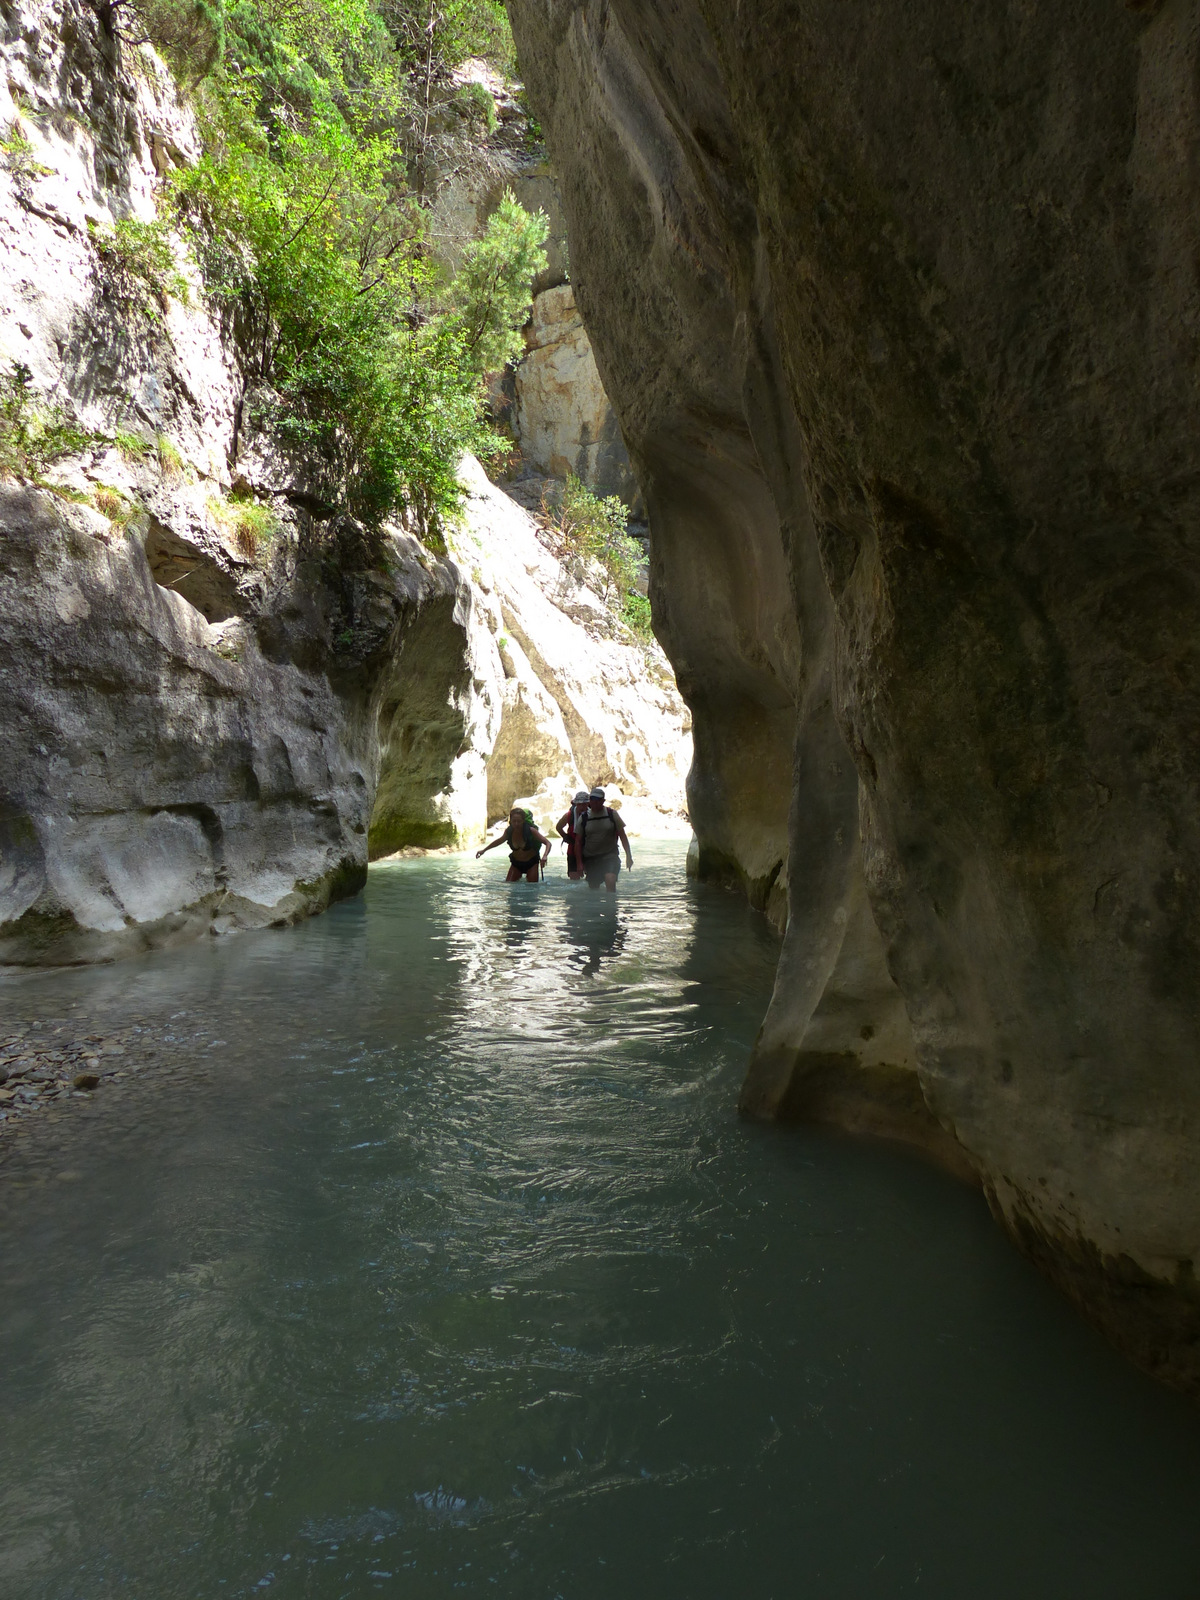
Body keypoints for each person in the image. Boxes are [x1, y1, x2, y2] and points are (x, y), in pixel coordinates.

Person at [577, 786, 633, 892]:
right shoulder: (584, 818)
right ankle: (599, 908)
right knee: (594, 888)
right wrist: (579, 863)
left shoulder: (612, 814)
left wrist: (628, 856)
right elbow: (578, 841)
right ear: (590, 801)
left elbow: (622, 836)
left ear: (603, 801)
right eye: (593, 799)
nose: (595, 802)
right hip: (591, 857)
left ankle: (611, 906)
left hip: (609, 854)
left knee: (610, 880)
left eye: (598, 800)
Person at [476, 807, 551, 882]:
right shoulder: (509, 831)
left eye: (519, 821)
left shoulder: (531, 831)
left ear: (523, 821)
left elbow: (548, 843)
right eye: (514, 821)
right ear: (510, 821)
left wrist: (545, 856)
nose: (516, 824)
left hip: (531, 863)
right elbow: (499, 841)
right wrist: (484, 850)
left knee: (532, 889)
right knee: (509, 885)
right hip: (516, 863)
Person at [555, 790, 590, 878]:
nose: (582, 807)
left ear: (588, 804)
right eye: (579, 804)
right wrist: (566, 837)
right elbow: (558, 827)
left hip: (589, 849)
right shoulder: (569, 815)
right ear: (575, 804)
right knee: (574, 878)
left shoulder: (593, 815)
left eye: (584, 804)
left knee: (592, 879)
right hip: (573, 849)